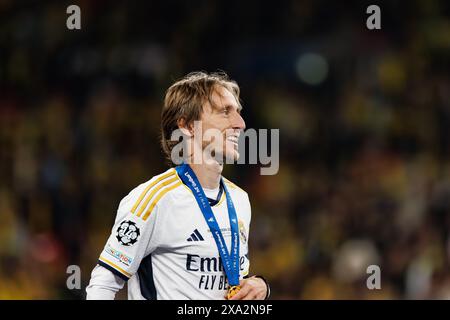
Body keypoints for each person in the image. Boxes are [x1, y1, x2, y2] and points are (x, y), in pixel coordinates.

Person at [86, 71, 270, 300]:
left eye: (238, 113)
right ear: (188, 126)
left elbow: (227, 281)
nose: (240, 124)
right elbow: (102, 285)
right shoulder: (155, 199)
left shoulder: (240, 199)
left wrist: (260, 286)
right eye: (225, 112)